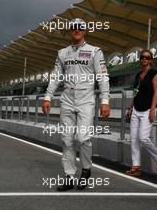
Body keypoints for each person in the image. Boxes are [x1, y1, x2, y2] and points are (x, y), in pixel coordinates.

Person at [42, 18, 110, 191]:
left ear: (84, 30)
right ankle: (69, 176)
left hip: (86, 99)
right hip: (67, 99)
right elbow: (56, 76)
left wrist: (105, 101)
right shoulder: (62, 53)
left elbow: (102, 77)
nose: (76, 30)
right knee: (67, 140)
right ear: (70, 31)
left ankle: (86, 170)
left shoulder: (95, 51)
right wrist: (48, 97)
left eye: (80, 27)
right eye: (73, 27)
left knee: (82, 138)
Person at [126, 49, 157, 176]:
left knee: (143, 138)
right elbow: (135, 94)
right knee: (134, 139)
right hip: (136, 109)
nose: (144, 59)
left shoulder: (155, 74)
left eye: (147, 57)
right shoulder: (138, 76)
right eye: (142, 57)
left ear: (151, 60)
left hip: (147, 110)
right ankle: (136, 166)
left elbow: (156, 93)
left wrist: (153, 110)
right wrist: (130, 108)